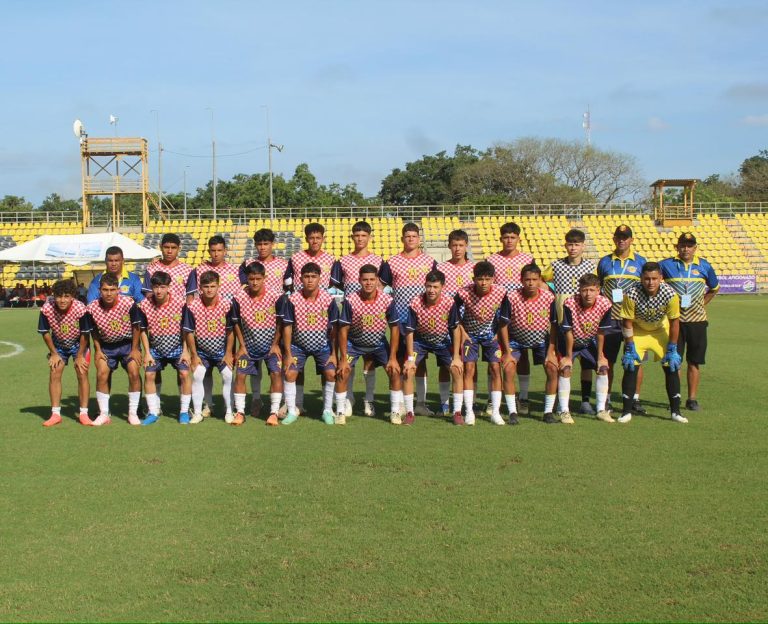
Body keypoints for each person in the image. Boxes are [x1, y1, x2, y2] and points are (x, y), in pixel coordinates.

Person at [379, 223, 437, 416]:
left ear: (419, 239)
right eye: (407, 236)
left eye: (414, 236)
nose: (411, 239)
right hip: (401, 321)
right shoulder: (392, 262)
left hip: (424, 319)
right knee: (400, 360)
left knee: (420, 361)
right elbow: (380, 286)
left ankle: (420, 402)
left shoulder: (429, 262)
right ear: (402, 239)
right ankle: (403, 402)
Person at [618, 262, 685, 424]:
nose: (650, 282)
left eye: (654, 278)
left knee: (671, 366)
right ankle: (626, 411)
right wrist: (630, 346)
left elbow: (675, 322)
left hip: (660, 331)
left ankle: (675, 411)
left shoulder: (670, 294)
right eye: (647, 278)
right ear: (641, 278)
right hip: (639, 330)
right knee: (631, 366)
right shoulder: (632, 294)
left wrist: (673, 347)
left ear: (661, 278)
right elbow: (626, 322)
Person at [660, 232, 719, 411]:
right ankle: (675, 398)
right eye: (683, 245)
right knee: (674, 360)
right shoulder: (666, 265)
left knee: (694, 361)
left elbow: (714, 288)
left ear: (695, 248)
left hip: (697, 321)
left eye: (689, 245)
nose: (686, 249)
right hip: (674, 321)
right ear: (677, 247)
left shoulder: (704, 266)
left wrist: (701, 304)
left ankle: (692, 399)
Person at [330, 221, 384, 418]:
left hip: (373, 320)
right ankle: (349, 398)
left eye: (364, 235)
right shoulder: (343, 261)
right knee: (347, 360)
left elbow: (384, 288)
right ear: (352, 237)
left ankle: (368, 399)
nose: (360, 239)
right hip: (349, 316)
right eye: (357, 235)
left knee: (370, 360)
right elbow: (335, 288)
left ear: (369, 237)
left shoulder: (379, 261)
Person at [335, 264, 400, 424]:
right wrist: (343, 358)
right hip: (354, 344)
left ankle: (395, 411)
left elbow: (395, 328)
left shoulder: (387, 300)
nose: (368, 283)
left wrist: (392, 357)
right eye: (365, 280)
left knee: (394, 371)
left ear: (378, 280)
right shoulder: (350, 300)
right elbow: (343, 330)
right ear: (359, 280)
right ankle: (340, 411)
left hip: (378, 343)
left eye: (372, 279)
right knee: (342, 372)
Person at [542, 228, 597, 416]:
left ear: (583, 246)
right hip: (561, 322)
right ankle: (559, 402)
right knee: (560, 362)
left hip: (584, 322)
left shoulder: (590, 266)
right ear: (565, 245)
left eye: (577, 244)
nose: (573, 248)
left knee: (587, 364)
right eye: (570, 244)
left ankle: (585, 401)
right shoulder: (556, 265)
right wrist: (553, 298)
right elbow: (542, 280)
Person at [284, 223, 337, 418]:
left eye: (318, 238)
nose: (314, 241)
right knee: (292, 370)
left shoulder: (331, 260)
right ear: (306, 238)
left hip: (322, 339)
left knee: (330, 372)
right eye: (311, 238)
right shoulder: (296, 258)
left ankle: (328, 409)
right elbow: (287, 282)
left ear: (323, 238)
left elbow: (334, 328)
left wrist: (334, 352)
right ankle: (295, 407)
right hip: (300, 331)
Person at [142, 233, 197, 415]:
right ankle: (154, 407)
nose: (170, 251)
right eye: (166, 247)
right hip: (158, 324)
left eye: (173, 248)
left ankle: (184, 408)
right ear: (161, 247)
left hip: (178, 323)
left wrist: (184, 315)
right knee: (154, 371)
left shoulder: (187, 269)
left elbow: (190, 296)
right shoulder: (151, 269)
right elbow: (148, 295)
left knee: (181, 370)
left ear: (179, 248)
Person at [548, 273, 614, 424]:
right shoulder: (570, 303)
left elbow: (601, 332)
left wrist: (600, 356)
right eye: (584, 290)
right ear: (579, 290)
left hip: (589, 340)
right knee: (566, 368)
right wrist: (568, 357)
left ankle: (601, 410)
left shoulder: (605, 304)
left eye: (591, 290)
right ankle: (564, 410)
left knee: (603, 367)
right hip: (569, 340)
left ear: (598, 290)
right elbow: (568, 331)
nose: (588, 294)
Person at [400, 270, 462, 426]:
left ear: (443, 287)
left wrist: (456, 357)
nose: (431, 290)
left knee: (456, 369)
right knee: (408, 370)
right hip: (420, 342)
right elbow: (409, 331)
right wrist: (410, 359)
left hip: (443, 342)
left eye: (435, 287)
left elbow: (455, 329)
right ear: (424, 286)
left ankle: (457, 412)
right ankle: (409, 412)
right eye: (428, 286)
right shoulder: (415, 302)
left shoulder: (449, 303)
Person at [498, 264, 559, 424]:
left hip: (541, 340)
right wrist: (507, 352)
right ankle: (512, 412)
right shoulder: (511, 297)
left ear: (540, 280)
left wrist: (551, 351)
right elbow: (503, 324)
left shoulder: (549, 297)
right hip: (516, 341)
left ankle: (548, 412)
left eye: (534, 279)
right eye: (527, 280)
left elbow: (554, 325)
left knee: (552, 368)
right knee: (509, 368)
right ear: (521, 280)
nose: (531, 283)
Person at [597, 225, 647, 413]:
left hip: (632, 320)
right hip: (609, 319)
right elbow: (599, 287)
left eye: (625, 237)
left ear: (631, 240)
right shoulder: (605, 262)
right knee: (608, 361)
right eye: (618, 237)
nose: (622, 240)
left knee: (635, 360)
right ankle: (606, 398)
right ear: (614, 239)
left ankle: (634, 398)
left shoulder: (640, 262)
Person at [486, 222, 535, 415]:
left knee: (522, 357)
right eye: (506, 237)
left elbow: (535, 281)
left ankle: (522, 397)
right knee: (495, 357)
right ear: (500, 239)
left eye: (512, 237)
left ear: (518, 239)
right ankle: (492, 399)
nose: (509, 240)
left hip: (521, 313)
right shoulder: (492, 259)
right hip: (497, 315)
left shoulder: (527, 258)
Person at [454, 261, 507, 426]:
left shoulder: (501, 292)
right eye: (480, 279)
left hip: (491, 336)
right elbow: (454, 317)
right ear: (473, 279)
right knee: (469, 369)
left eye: (487, 279)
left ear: (493, 279)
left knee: (496, 368)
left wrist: (498, 334)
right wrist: (463, 333)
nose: (484, 283)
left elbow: (505, 317)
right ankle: (469, 411)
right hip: (470, 336)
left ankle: (496, 412)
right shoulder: (463, 293)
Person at [86, 273, 143, 426]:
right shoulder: (92, 308)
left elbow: (136, 326)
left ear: (118, 290)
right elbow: (93, 331)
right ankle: (104, 414)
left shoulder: (128, 303)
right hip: (107, 346)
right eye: (105, 290)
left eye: (112, 289)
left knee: (134, 372)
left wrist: (135, 348)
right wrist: (98, 350)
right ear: (100, 290)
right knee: (101, 374)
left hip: (128, 344)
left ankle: (132, 413)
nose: (109, 293)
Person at [232, 262, 284, 426]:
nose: (254, 282)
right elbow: (236, 323)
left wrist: (275, 344)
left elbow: (281, 322)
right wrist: (241, 345)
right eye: (251, 279)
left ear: (264, 278)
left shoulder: (276, 296)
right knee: (240, 375)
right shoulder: (238, 297)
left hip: (271, 346)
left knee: (276, 374)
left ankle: (274, 413)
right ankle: (240, 412)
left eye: (258, 279)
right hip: (248, 347)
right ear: (246, 278)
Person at [137, 271, 192, 425]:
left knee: (184, 372)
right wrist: (147, 353)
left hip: (177, 348)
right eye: (155, 287)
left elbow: (186, 329)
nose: (159, 291)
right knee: (149, 375)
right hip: (155, 349)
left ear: (168, 287)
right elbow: (143, 330)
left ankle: (184, 411)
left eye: (162, 287)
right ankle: (153, 412)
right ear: (151, 288)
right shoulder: (144, 305)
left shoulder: (180, 304)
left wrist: (185, 351)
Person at [195, 235, 241, 418]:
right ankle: (208, 405)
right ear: (208, 251)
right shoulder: (199, 270)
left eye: (219, 250)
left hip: (227, 324)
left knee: (231, 372)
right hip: (204, 327)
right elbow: (192, 297)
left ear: (225, 251)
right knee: (203, 373)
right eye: (212, 250)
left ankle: (232, 408)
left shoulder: (236, 270)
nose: (216, 254)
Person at [182, 271, 237, 424]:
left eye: (213, 286)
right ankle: (198, 413)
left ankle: (229, 411)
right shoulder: (192, 307)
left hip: (221, 351)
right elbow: (189, 333)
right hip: (202, 352)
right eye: (206, 286)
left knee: (227, 376)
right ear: (200, 288)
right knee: (198, 374)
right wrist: (194, 355)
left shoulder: (227, 304)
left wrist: (228, 354)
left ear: (218, 286)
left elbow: (230, 332)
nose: (209, 290)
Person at [37, 279, 92, 427]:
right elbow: (45, 332)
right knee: (55, 372)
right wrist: (53, 353)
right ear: (54, 296)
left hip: (79, 344)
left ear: (73, 296)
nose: (62, 300)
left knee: (82, 372)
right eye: (59, 296)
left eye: (66, 296)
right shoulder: (47, 308)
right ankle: (55, 414)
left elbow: (85, 334)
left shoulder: (81, 309)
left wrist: (80, 355)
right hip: (58, 345)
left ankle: (84, 413)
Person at [436, 229, 475, 417]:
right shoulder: (441, 268)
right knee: (446, 364)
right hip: (446, 324)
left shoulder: (474, 269)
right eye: (454, 245)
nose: (457, 249)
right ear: (449, 246)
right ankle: (444, 403)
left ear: (466, 245)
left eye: (461, 245)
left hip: (469, 323)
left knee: (468, 365)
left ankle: (468, 403)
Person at [239, 228, 290, 294]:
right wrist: (245, 286)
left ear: (272, 244)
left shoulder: (283, 264)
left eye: (266, 244)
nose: (262, 247)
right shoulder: (247, 264)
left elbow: (289, 286)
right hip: (254, 303)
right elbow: (242, 282)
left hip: (276, 303)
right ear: (255, 245)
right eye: (259, 244)